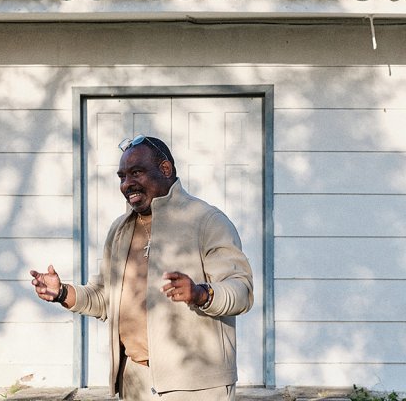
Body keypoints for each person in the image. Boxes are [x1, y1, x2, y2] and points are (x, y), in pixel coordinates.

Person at [30, 134, 253, 401]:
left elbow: (241, 290)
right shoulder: (119, 230)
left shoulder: (207, 221)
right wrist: (63, 293)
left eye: (136, 173)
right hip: (134, 382)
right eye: (122, 176)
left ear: (165, 169)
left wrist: (201, 294)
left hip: (196, 386)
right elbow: (106, 298)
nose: (127, 184)